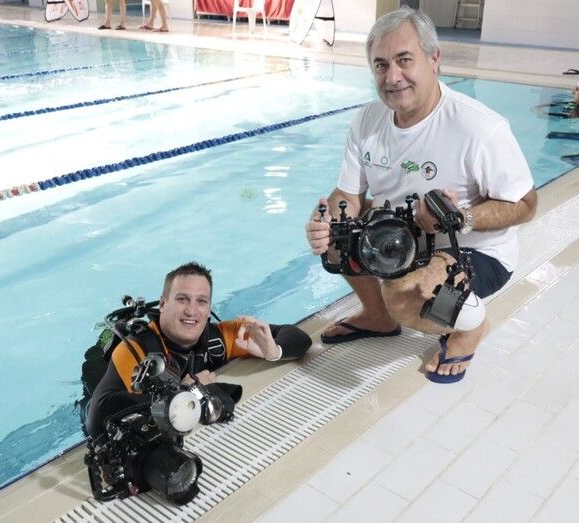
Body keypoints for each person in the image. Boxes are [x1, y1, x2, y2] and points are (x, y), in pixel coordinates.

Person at [305, 7, 537, 383]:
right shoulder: (367, 121)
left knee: (406, 294)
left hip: (474, 250)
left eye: (404, 60)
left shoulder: (478, 128)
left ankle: (470, 328)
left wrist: (460, 217)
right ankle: (376, 316)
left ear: (434, 58)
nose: (392, 77)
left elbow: (526, 204)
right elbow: (347, 193)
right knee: (339, 237)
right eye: (381, 65)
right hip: (404, 239)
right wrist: (329, 219)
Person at [85, 261, 311, 436]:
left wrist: (272, 351)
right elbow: (96, 421)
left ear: (209, 307)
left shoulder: (220, 338)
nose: (192, 311)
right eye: (183, 299)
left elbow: (299, 338)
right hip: (99, 376)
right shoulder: (137, 351)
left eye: (201, 301)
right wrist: (184, 392)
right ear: (163, 304)